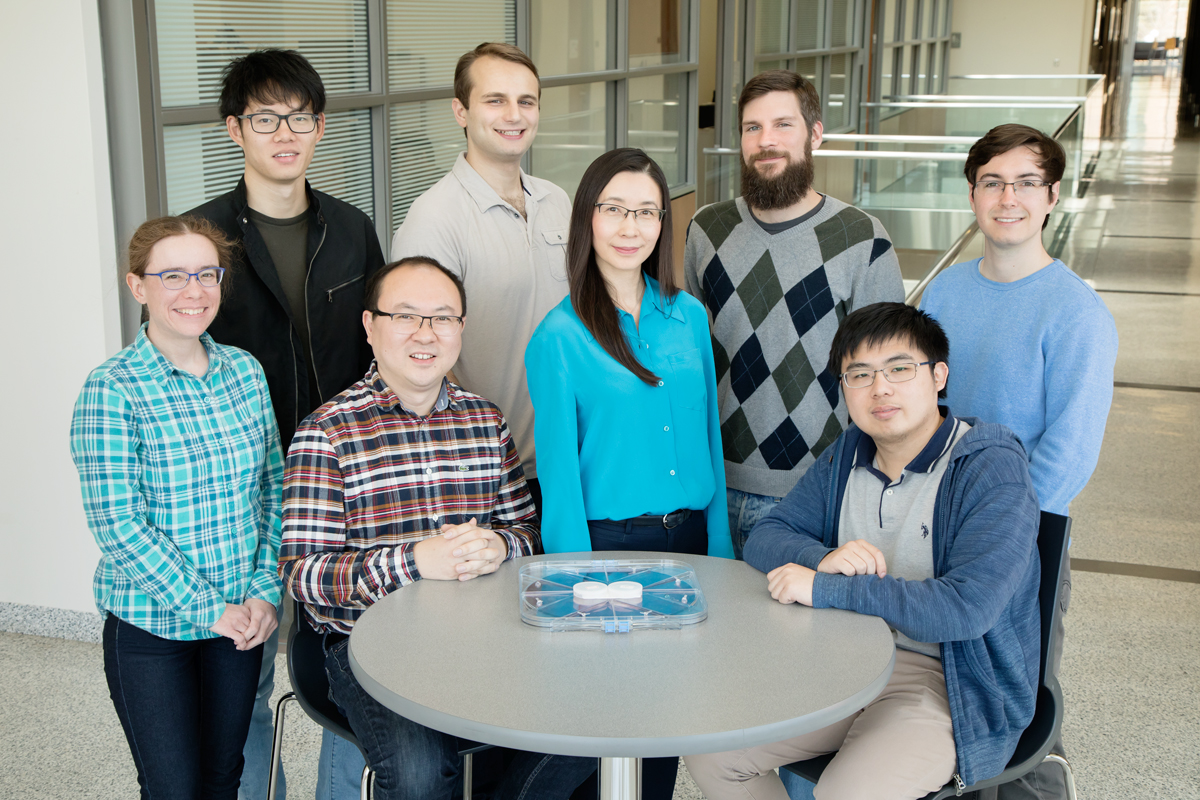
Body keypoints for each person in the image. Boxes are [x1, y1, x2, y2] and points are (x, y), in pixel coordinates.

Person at [684, 302, 1042, 800]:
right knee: (712, 751)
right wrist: (820, 559)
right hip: (842, 662)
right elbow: (769, 535)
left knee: (843, 795)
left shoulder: (988, 467)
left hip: (948, 682)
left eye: (900, 369)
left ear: (938, 376)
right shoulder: (848, 453)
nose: (881, 389)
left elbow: (966, 610)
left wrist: (831, 587)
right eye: (860, 374)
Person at [278, 257, 596, 800]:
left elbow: (525, 531)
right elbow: (303, 574)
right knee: (425, 774)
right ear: (369, 326)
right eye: (406, 316)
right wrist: (416, 561)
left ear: (461, 330)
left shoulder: (486, 421)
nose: (426, 334)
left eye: (443, 318)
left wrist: (499, 544)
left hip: (488, 636)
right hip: (367, 646)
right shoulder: (326, 433)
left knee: (589, 726)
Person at [184, 48, 385, 799]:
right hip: (242, 496)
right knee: (245, 674)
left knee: (351, 674)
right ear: (235, 129)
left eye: (298, 117)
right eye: (265, 118)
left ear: (321, 127)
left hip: (344, 485)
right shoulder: (205, 240)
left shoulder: (352, 228)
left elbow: (382, 344)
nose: (284, 133)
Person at [525, 147, 733, 800]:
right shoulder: (558, 336)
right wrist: (575, 584)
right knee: (608, 729)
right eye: (614, 209)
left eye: (645, 211)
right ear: (588, 219)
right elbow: (559, 480)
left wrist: (723, 549)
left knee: (668, 721)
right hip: (611, 550)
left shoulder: (690, 316)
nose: (630, 226)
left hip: (693, 541)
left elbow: (710, 443)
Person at [919, 123, 1118, 800]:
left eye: (1027, 182)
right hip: (938, 524)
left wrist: (995, 529)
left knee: (1018, 703)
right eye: (992, 182)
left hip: (1024, 535)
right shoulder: (944, 293)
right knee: (947, 691)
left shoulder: (1076, 311)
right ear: (972, 195)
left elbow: (1070, 449)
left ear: (1053, 196)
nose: (1009, 198)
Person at [70, 216, 283, 799]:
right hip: (151, 627)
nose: (194, 291)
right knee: (172, 788)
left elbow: (271, 486)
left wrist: (265, 588)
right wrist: (208, 608)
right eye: (173, 276)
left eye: (207, 274)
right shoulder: (111, 388)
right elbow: (118, 526)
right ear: (138, 287)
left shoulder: (244, 371)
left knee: (224, 778)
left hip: (239, 621)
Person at [682, 69, 904, 562]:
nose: (767, 142)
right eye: (752, 128)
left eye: (783, 125)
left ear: (815, 134)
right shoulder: (706, 230)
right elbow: (693, 357)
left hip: (816, 494)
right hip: (712, 483)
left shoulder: (861, 237)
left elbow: (885, 377)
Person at [391, 42, 571, 513]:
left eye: (526, 101)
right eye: (495, 100)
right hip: (482, 473)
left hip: (566, 460)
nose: (514, 115)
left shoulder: (557, 202)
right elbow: (417, 354)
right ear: (461, 111)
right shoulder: (433, 219)